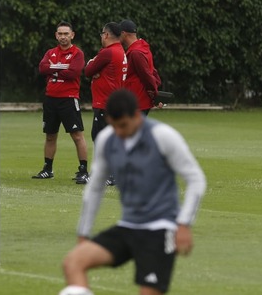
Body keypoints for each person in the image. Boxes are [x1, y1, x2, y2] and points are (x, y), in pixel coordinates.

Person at [60, 89, 206, 295]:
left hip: (160, 230)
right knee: (73, 262)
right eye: (114, 125)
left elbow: (196, 179)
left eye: (123, 126)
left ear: (137, 116)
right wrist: (83, 233)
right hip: (128, 227)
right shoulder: (106, 140)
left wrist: (184, 224)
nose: (119, 132)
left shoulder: (162, 136)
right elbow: (94, 188)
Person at [32, 22, 89, 184]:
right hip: (50, 99)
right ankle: (47, 169)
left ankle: (84, 170)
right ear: (56, 35)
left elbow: (73, 73)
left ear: (72, 35)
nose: (63, 37)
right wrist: (59, 68)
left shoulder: (77, 53)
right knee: (50, 135)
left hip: (69, 99)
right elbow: (42, 69)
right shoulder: (50, 52)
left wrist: (54, 68)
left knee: (77, 135)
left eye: (66, 34)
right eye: (60, 34)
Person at [84, 22, 127, 186]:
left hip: (105, 102)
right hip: (115, 101)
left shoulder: (107, 52)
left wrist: (92, 66)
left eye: (102, 34)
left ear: (107, 35)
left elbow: (88, 71)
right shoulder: (120, 51)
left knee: (100, 138)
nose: (101, 37)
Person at [119, 19, 162, 115]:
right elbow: (153, 72)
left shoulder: (135, 53)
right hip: (140, 100)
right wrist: (156, 87)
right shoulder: (143, 48)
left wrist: (156, 95)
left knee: (131, 130)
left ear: (124, 33)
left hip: (136, 101)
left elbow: (146, 75)